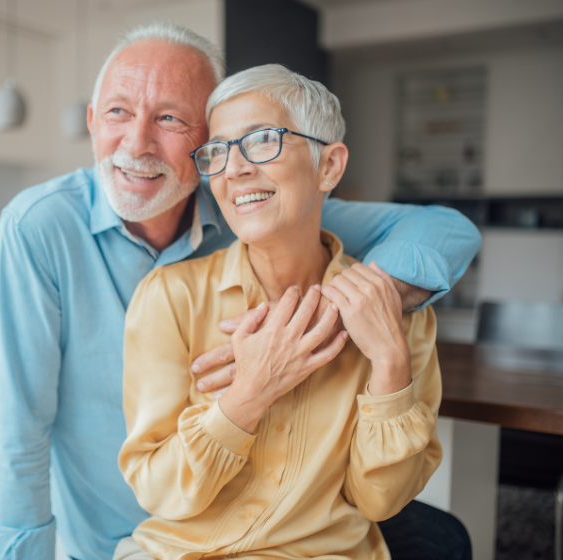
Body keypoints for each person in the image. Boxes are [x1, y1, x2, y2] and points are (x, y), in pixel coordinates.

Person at [0, 22, 479, 560]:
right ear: (93, 122)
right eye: (118, 112)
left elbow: (447, 230)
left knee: (442, 540)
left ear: (199, 145)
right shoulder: (42, 228)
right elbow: (13, 432)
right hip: (137, 532)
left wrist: (328, 319)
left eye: (170, 118)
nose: (137, 142)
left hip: (297, 525)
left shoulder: (252, 202)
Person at [117, 63, 442, 560]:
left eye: (263, 140)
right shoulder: (169, 296)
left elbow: (380, 501)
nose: (236, 168)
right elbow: (157, 488)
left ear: (329, 166)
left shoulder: (398, 313)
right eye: (219, 151)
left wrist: (391, 369)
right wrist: (248, 394)